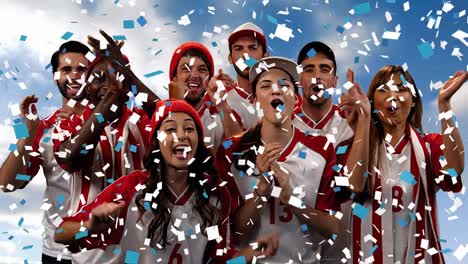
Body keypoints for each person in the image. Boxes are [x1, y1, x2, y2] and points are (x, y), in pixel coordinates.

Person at [55, 99, 278, 263]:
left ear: (198, 142)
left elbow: (219, 260)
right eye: (170, 129)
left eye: (189, 129)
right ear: (156, 143)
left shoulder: (215, 198)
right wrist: (91, 225)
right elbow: (61, 234)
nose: (181, 135)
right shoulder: (132, 187)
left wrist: (250, 255)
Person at [216, 57, 342, 263]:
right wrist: (260, 195)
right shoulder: (231, 150)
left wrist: (292, 202)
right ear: (255, 100)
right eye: (265, 86)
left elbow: (334, 230)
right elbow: (233, 233)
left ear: (296, 99)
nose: (276, 90)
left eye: (284, 85)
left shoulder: (322, 148)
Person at [351, 65, 465, 263]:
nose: (392, 95)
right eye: (383, 90)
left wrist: (444, 104)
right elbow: (352, 187)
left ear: (413, 101)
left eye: (401, 89)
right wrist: (362, 120)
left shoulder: (429, 146)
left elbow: (454, 169)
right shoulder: (356, 150)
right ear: (372, 102)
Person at [0, 41, 90, 263]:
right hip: (56, 253)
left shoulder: (110, 121)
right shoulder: (43, 127)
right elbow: (6, 184)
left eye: (82, 69)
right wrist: (25, 137)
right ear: (54, 76)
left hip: (104, 252)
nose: (74, 76)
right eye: (66, 69)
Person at [294, 41, 370, 262]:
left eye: (324, 69)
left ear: (335, 81)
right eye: (309, 70)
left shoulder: (353, 121)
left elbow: (358, 184)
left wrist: (364, 120)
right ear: (299, 80)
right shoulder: (283, 125)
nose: (317, 76)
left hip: (345, 254)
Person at [168, 41, 242, 152]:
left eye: (202, 70)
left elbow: (240, 153)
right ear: (174, 79)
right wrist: (176, 105)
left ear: (209, 80)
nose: (194, 75)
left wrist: (222, 105)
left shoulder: (219, 120)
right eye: (186, 68)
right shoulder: (155, 116)